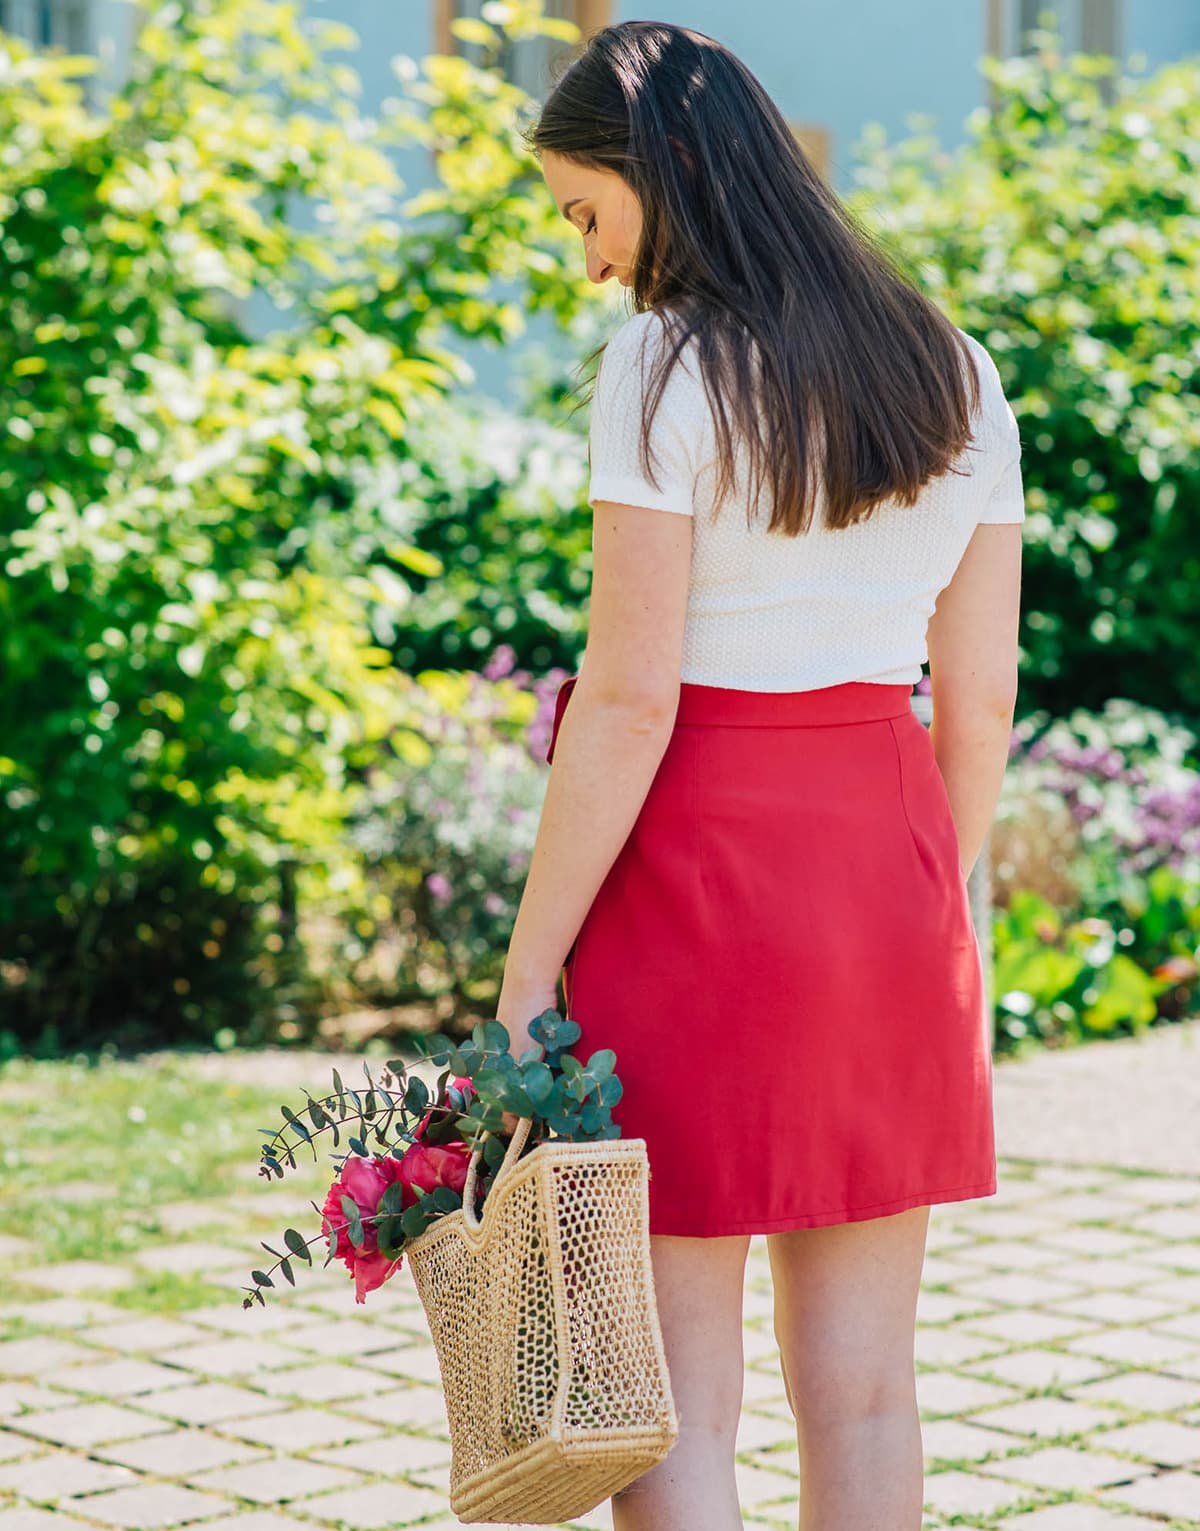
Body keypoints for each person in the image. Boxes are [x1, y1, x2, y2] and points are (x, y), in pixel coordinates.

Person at [493, 20, 1024, 1531]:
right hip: (887, 869)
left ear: (664, 172)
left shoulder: (661, 364)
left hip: (700, 880)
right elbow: (980, 696)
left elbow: (628, 699)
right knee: (867, 1391)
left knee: (673, 1398)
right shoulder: (955, 367)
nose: (589, 259)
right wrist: (938, 902)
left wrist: (528, 971)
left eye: (587, 212)